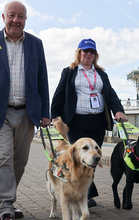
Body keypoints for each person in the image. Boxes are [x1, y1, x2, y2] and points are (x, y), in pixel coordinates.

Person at [0, 0, 50, 220]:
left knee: (20, 161)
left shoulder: (36, 44)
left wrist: (45, 113)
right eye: (12, 15)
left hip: (28, 113)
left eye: (21, 16)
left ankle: (9, 199)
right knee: (4, 157)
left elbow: (42, 80)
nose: (16, 20)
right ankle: (5, 207)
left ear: (26, 19)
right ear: (3, 17)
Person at [51, 38, 127, 207]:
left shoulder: (101, 74)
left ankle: (85, 192)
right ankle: (87, 194)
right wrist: (55, 115)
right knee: (80, 158)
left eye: (92, 52)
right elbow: (59, 93)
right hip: (76, 121)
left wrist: (119, 111)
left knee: (93, 158)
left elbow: (111, 94)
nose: (88, 54)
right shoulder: (70, 71)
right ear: (79, 53)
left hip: (98, 121)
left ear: (95, 55)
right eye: (85, 51)